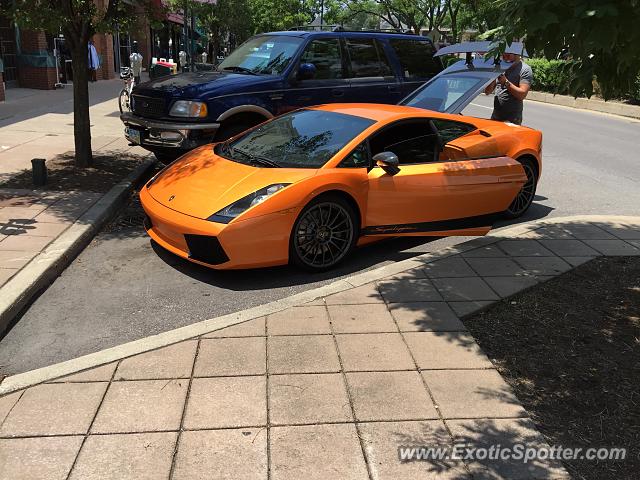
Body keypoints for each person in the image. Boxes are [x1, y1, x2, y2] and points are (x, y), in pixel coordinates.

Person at [484, 52, 533, 125]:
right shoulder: (500, 66)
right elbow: (487, 92)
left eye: (508, 55)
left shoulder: (525, 69)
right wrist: (492, 78)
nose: (505, 58)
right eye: (503, 55)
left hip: (512, 119)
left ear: (516, 55)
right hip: (496, 117)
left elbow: (522, 94)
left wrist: (505, 82)